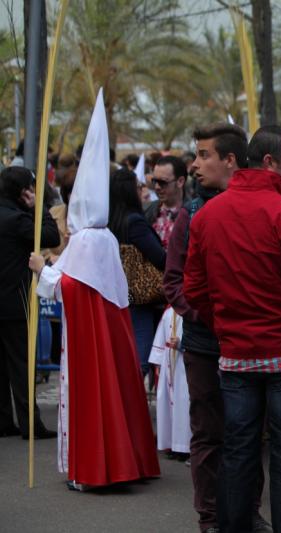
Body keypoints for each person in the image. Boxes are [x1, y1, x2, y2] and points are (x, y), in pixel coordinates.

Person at [184, 124, 281, 533]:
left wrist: (226, 326)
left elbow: (195, 290)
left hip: (236, 355)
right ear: (270, 162)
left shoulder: (208, 214)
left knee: (239, 451)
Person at [29, 90, 159, 488]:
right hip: (106, 331)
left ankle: (94, 468)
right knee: (115, 392)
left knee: (93, 396)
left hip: (87, 341)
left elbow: (70, 285)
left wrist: (41, 270)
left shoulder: (87, 239)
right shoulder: (99, 237)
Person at [163, 123, 268, 533]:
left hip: (251, 344)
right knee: (209, 433)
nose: (194, 165)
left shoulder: (259, 207)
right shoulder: (191, 214)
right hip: (206, 345)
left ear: (229, 160)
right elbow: (174, 282)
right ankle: (210, 517)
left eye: (203, 155)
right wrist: (210, 316)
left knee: (249, 432)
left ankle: (248, 512)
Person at [0, 166, 60, 439]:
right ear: (24, 191)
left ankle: (3, 420)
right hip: (16, 301)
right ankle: (30, 424)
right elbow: (51, 237)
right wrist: (40, 208)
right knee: (22, 364)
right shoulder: (17, 219)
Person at [108, 167, 166, 379]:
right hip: (139, 297)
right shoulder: (134, 221)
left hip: (116, 294)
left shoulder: (109, 220)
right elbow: (159, 257)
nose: (143, 190)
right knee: (139, 361)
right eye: (139, 186)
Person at [148, 306, 190, 459]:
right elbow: (160, 338)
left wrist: (181, 343)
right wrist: (157, 362)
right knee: (170, 404)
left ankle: (185, 446)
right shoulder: (168, 312)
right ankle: (173, 444)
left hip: (184, 365)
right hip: (169, 365)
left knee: (184, 404)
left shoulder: (190, 311)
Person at [144, 155, 187, 249]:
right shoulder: (146, 211)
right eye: (155, 181)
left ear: (180, 181)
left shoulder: (195, 213)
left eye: (163, 182)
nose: (157, 187)